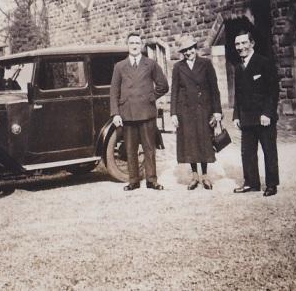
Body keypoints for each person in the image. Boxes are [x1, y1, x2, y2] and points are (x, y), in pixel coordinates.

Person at [110, 32, 169, 191]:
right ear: (128, 46)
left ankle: (151, 180)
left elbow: (163, 85)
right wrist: (115, 113)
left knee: (149, 148)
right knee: (130, 149)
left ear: (141, 45)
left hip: (146, 113)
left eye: (137, 43)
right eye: (131, 43)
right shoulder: (119, 66)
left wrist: (151, 97)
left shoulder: (150, 64)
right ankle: (133, 181)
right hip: (127, 114)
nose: (135, 46)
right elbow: (114, 92)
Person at [170, 35, 222, 190]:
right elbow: (174, 91)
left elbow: (214, 89)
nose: (188, 52)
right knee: (190, 142)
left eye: (190, 49)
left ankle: (205, 175)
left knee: (204, 141)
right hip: (185, 111)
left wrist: (217, 111)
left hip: (203, 109)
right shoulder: (178, 67)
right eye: (185, 50)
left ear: (195, 48)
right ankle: (194, 176)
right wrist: (173, 113)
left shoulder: (206, 64)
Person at [232, 30, 280, 197]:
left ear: (252, 43)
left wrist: (267, 113)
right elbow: (237, 95)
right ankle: (251, 183)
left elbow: (272, 91)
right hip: (246, 117)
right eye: (237, 44)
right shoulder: (238, 68)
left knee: (269, 150)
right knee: (247, 152)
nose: (240, 47)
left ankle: (272, 184)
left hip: (264, 117)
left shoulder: (264, 63)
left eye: (244, 43)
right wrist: (236, 116)